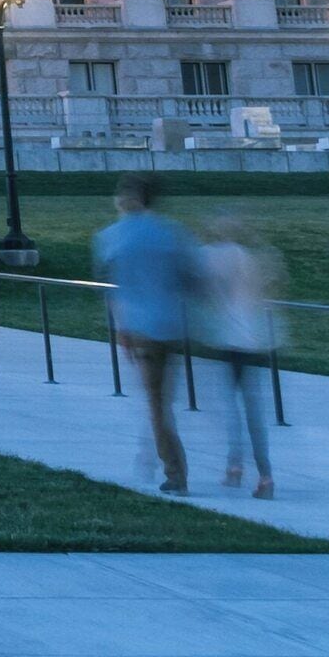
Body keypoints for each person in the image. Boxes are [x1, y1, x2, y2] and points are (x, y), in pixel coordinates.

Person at [93, 174, 198, 495]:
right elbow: (191, 277)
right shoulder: (171, 233)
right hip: (171, 324)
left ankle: (175, 472)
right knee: (162, 399)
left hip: (140, 328)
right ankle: (153, 456)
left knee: (156, 403)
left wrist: (119, 328)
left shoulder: (110, 237)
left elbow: (111, 288)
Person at [195, 211, 284, 498]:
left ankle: (234, 467)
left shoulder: (208, 255)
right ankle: (266, 475)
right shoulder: (248, 256)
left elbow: (201, 290)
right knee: (253, 408)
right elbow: (268, 286)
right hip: (255, 337)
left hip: (228, 337)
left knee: (230, 406)